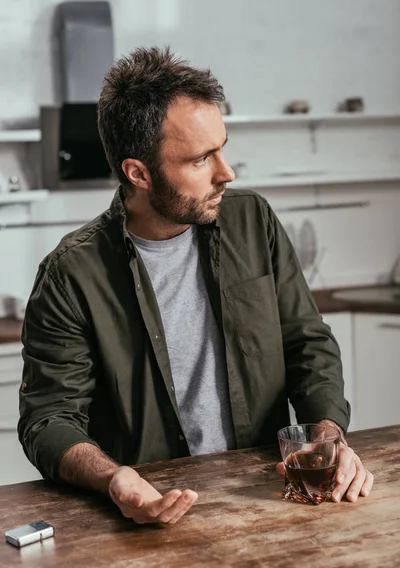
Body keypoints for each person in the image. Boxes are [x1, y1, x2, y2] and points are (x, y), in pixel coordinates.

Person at [18, 47, 373, 525]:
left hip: (269, 495)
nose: (227, 172)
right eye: (201, 159)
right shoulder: (70, 275)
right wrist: (113, 478)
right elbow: (48, 418)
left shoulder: (254, 221)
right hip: (154, 513)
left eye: (222, 147)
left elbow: (306, 342)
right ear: (138, 173)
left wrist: (330, 438)